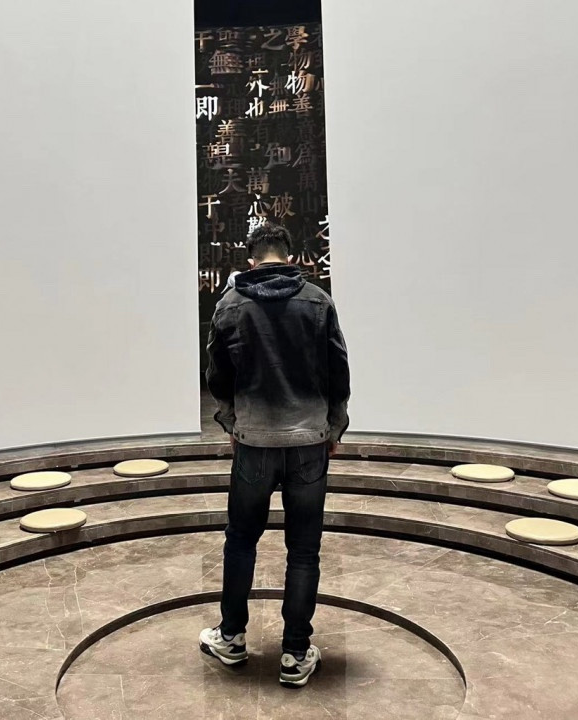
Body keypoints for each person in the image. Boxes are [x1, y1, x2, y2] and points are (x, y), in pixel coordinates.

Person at [199, 222, 351, 687]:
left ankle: (231, 637)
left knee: (241, 540)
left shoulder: (230, 303)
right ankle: (295, 653)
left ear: (250, 261)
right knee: (303, 549)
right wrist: (333, 426)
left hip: (254, 443)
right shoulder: (317, 301)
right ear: (291, 257)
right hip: (308, 441)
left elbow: (217, 375)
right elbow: (338, 370)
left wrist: (232, 422)